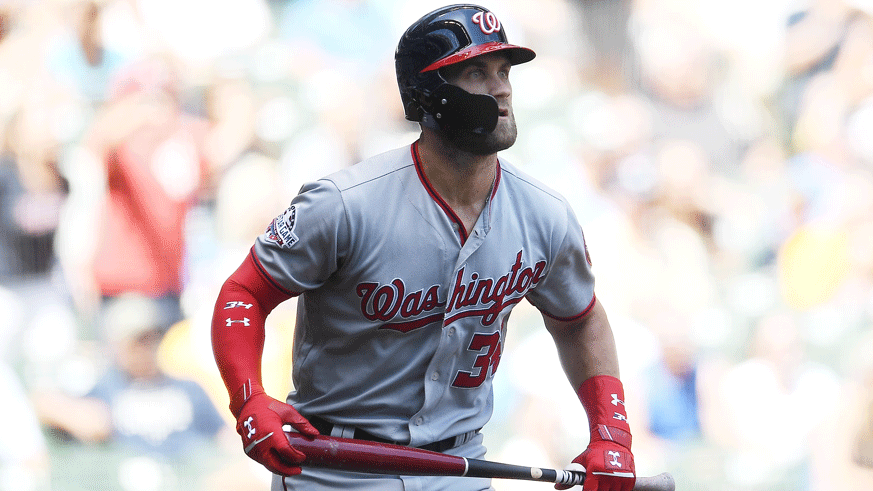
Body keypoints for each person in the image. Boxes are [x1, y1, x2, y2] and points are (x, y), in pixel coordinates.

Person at [211, 5, 636, 491]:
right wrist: (248, 397)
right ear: (427, 94)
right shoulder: (345, 205)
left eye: (503, 71)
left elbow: (580, 318)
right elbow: (244, 291)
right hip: (336, 467)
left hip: (459, 465)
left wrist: (612, 432)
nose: (501, 87)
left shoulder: (545, 215)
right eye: (476, 72)